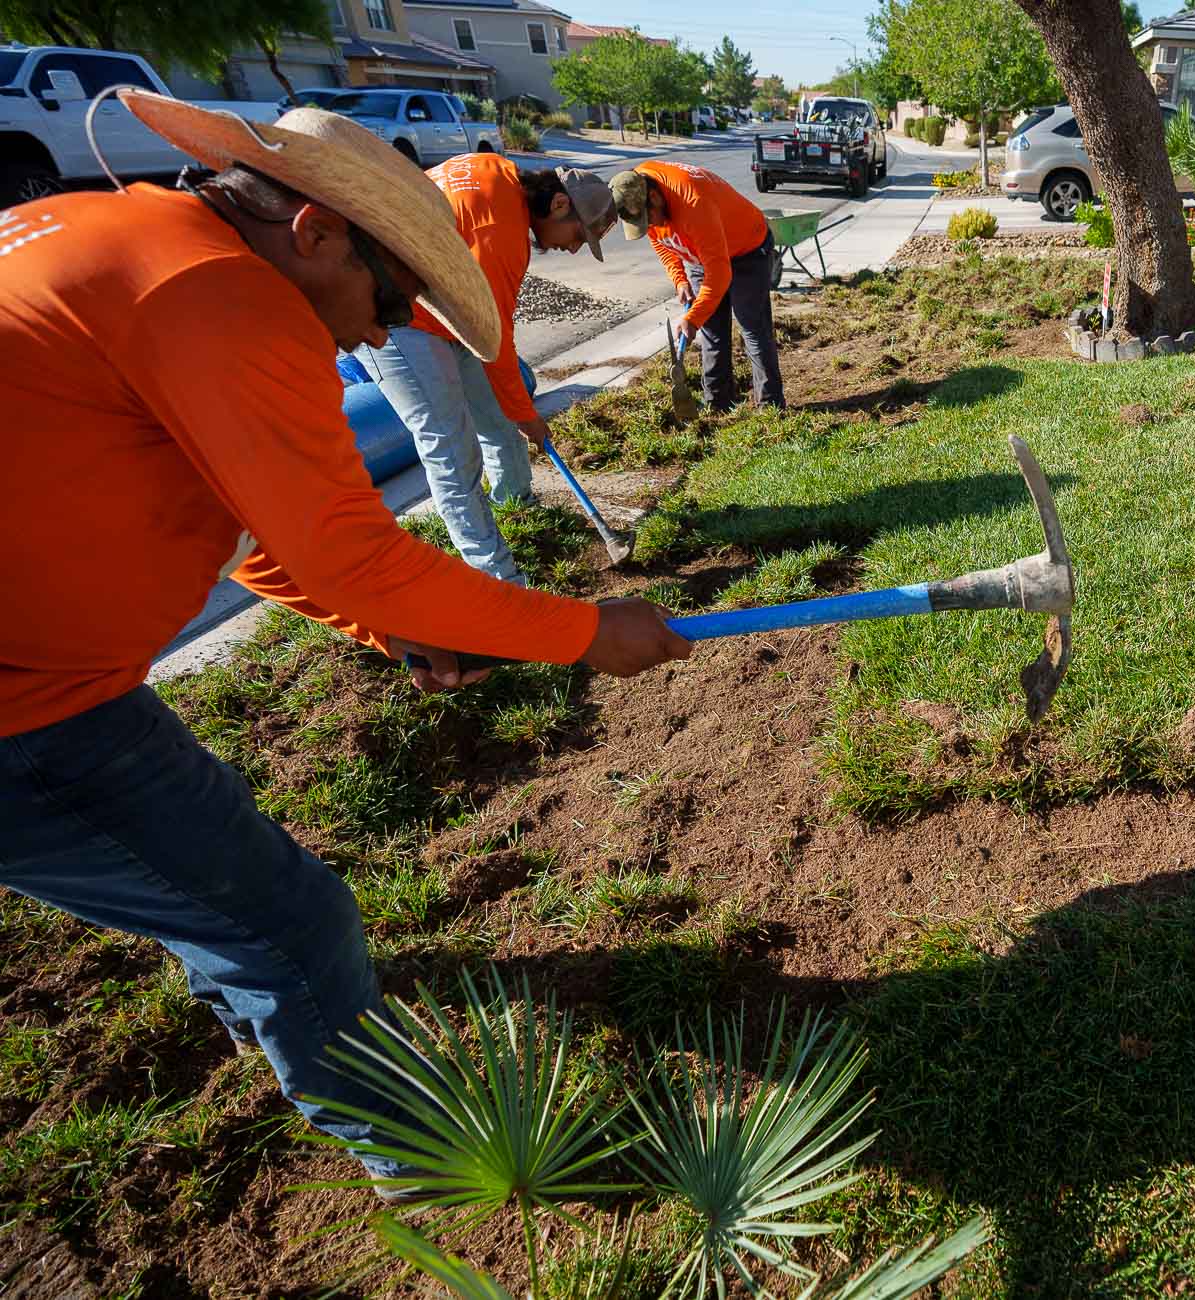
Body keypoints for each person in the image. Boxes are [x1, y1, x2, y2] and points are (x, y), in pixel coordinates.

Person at [0, 97, 690, 1197]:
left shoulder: (123, 242)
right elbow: (350, 548)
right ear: (315, 230)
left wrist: (388, 627)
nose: (380, 332)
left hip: (50, 678)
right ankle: (427, 1165)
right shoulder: (217, 294)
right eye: (390, 295)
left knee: (215, 897)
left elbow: (249, 536)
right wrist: (583, 630)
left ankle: (268, 1016)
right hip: (25, 710)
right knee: (291, 918)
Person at [359, 156, 616, 584]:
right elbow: (494, 340)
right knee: (452, 450)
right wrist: (527, 414)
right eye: (577, 236)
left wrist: (515, 411)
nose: (572, 248)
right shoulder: (501, 234)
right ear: (557, 205)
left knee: (496, 422)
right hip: (396, 317)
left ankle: (516, 506)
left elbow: (484, 328)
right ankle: (497, 577)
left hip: (446, 309)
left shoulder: (498, 172)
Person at [609, 161, 785, 413]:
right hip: (702, 253)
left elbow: (720, 274)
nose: (650, 227)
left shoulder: (693, 203)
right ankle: (718, 403)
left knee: (752, 329)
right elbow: (661, 241)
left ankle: (770, 408)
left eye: (649, 220)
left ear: (655, 197)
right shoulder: (635, 186)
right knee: (712, 331)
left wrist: (691, 319)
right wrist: (679, 278)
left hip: (746, 248)